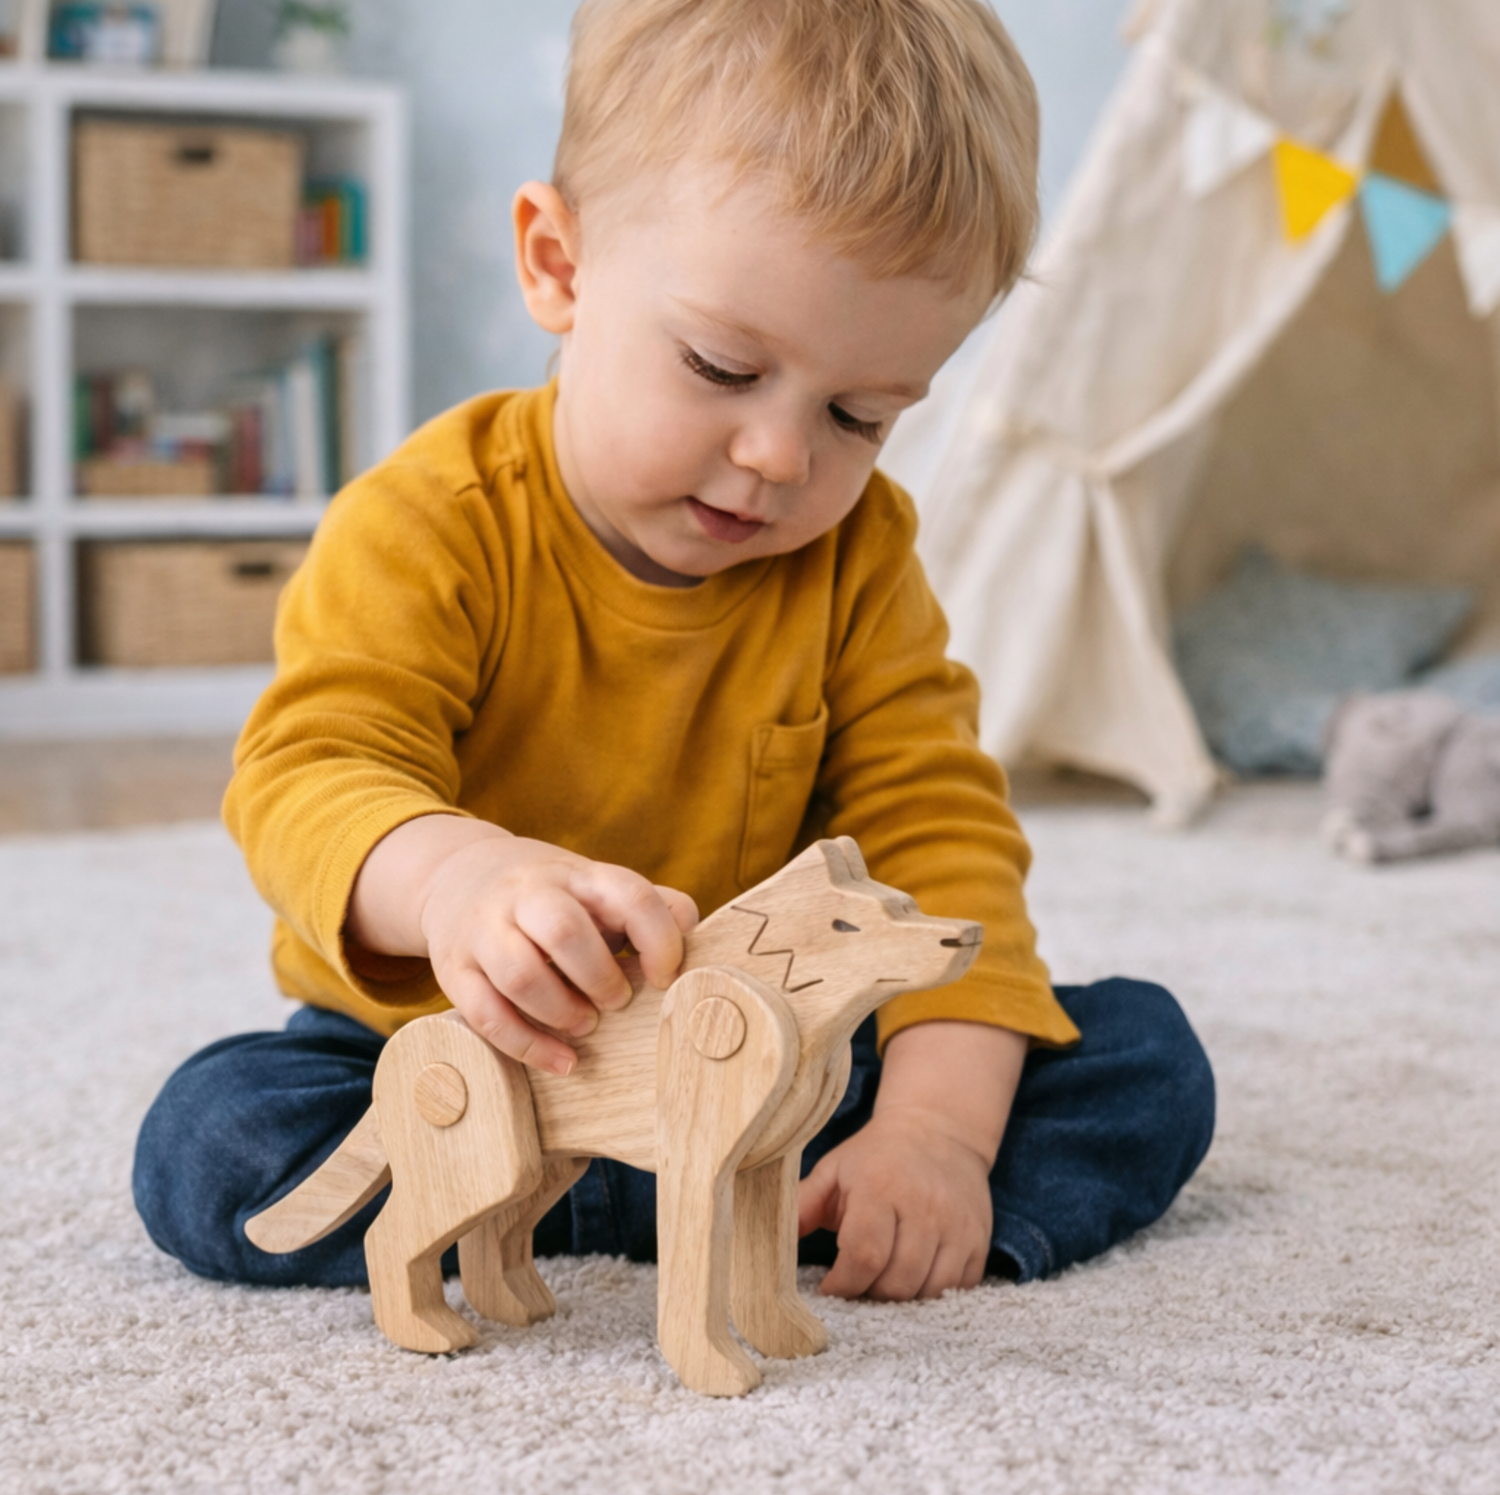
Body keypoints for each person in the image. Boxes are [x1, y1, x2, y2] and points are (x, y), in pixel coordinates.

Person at [134, 0, 1214, 1305]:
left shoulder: (856, 558)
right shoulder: (430, 522)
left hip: (758, 1075)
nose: (780, 457)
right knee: (214, 1134)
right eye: (719, 367)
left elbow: (939, 849)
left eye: (859, 416)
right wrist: (468, 886)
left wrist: (933, 1136)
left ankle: (799, 1196)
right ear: (560, 265)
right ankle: (644, 1208)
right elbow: (309, 774)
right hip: (466, 1058)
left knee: (1146, 1062)